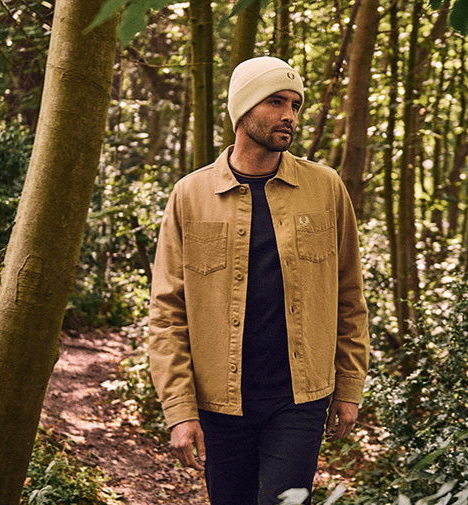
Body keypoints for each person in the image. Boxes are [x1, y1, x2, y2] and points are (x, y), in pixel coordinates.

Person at [147, 56, 369, 505]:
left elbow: (350, 296)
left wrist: (349, 387)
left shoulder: (325, 188)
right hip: (220, 402)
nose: (289, 115)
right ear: (243, 109)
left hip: (299, 398)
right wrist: (179, 410)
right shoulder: (190, 196)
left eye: (295, 104)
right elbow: (167, 311)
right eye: (275, 102)